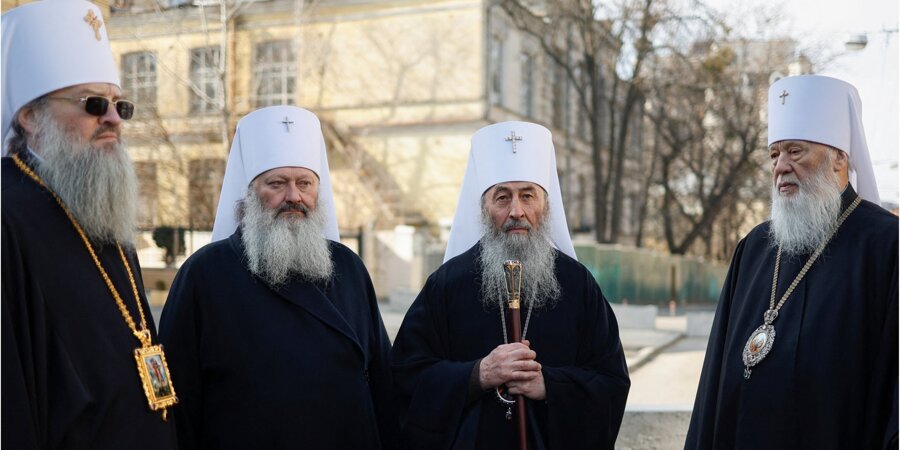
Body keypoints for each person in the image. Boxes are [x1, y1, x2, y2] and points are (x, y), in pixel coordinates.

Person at [158, 105, 400, 449]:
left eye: (305, 183)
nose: (294, 196)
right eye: (277, 183)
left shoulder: (348, 267)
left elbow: (383, 384)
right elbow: (178, 399)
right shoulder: (204, 274)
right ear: (250, 193)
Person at [685, 75, 898, 449]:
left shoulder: (885, 246)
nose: (780, 166)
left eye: (796, 151)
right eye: (774, 154)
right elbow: (712, 384)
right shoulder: (753, 248)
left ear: (839, 158)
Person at [1, 1, 179, 448]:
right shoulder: (7, 213)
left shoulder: (99, 202)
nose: (113, 119)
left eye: (120, 105)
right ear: (29, 115)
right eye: (93, 104)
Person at [391, 121, 630, 449]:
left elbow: (612, 383)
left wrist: (550, 385)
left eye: (527, 196)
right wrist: (479, 374)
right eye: (502, 197)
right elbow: (405, 377)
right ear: (483, 207)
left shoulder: (578, 285)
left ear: (545, 206)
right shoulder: (447, 285)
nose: (516, 211)